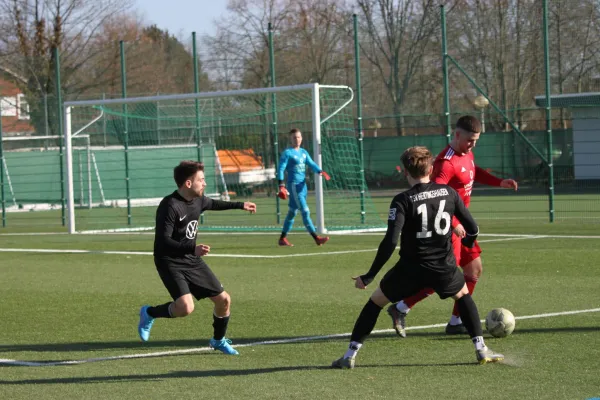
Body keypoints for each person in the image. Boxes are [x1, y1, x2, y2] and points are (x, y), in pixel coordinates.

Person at [331, 146, 504, 369]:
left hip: (410, 270)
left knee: (374, 304)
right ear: (431, 169)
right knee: (463, 296)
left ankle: (349, 356)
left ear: (406, 172)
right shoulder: (449, 193)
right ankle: (481, 349)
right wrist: (468, 243)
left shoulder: (402, 200)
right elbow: (473, 228)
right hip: (444, 267)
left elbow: (390, 242)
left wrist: (370, 275)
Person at [388, 115, 518, 337]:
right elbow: (434, 198)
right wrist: (453, 223)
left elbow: (473, 171)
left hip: (462, 226)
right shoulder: (445, 164)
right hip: (448, 227)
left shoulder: (466, 154)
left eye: (476, 140)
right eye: (469, 140)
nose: (473, 144)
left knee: (474, 269)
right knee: (443, 276)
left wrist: (498, 182)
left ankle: (456, 321)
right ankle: (400, 307)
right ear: (457, 135)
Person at [137, 160, 257, 355]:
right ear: (188, 184)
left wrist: (240, 204)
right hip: (169, 261)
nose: (205, 183)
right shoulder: (169, 206)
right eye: (201, 179)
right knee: (185, 308)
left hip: (191, 259)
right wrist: (192, 248)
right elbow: (163, 242)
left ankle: (218, 340)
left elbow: (214, 204)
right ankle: (149, 313)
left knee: (224, 300)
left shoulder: (198, 200)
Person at [277, 128, 331, 247]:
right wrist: (281, 185)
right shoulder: (288, 153)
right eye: (294, 137)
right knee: (305, 211)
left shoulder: (303, 152)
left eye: (299, 137)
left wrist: (320, 171)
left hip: (303, 187)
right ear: (290, 139)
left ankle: (282, 239)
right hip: (294, 186)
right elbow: (281, 169)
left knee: (292, 212)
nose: (297, 139)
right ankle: (316, 238)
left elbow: (311, 163)